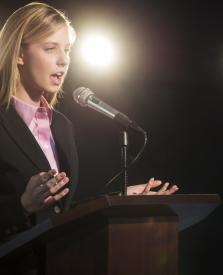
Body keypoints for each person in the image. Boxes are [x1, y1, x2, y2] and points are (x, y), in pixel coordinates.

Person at [0, 2, 178, 274]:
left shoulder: (61, 126)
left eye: (67, 50)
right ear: (19, 54)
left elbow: (60, 214)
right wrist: (22, 206)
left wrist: (119, 199)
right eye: (51, 48)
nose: (64, 60)